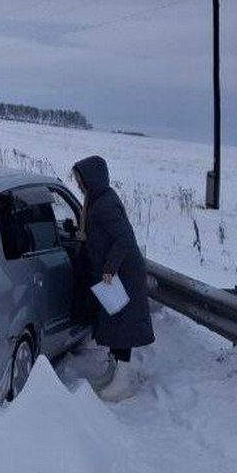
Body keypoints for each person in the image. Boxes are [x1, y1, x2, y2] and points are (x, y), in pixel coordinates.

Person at [71, 155, 155, 401]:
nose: (78, 185)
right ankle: (114, 372)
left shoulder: (105, 205)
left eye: (80, 180)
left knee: (122, 327)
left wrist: (109, 268)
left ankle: (123, 381)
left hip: (121, 275)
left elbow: (124, 239)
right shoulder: (98, 199)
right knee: (113, 324)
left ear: (91, 179)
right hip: (114, 275)